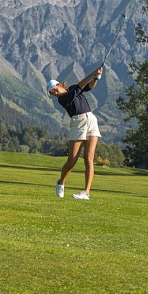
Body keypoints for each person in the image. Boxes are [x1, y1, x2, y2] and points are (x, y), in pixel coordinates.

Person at [47, 65, 104, 200]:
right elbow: (80, 85)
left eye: (54, 89)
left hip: (91, 120)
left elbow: (89, 87)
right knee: (72, 160)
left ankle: (86, 192)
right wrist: (92, 73)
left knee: (89, 158)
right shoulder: (62, 99)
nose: (55, 92)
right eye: (52, 93)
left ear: (60, 85)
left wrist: (96, 77)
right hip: (78, 123)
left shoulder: (72, 89)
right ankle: (61, 182)